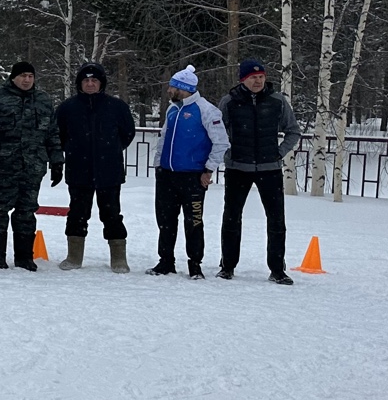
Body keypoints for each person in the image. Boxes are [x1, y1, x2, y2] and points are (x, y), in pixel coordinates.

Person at [218, 58, 303, 284]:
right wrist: (228, 153)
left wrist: (279, 152)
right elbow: (216, 133)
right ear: (243, 80)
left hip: (269, 169)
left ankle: (277, 270)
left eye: (261, 77)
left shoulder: (277, 101)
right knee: (231, 217)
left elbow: (293, 131)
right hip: (237, 168)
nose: (258, 81)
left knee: (276, 220)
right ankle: (227, 266)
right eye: (253, 77)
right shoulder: (229, 102)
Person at [54, 60, 136, 273]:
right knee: (77, 214)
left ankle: (118, 258)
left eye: (94, 81)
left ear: (101, 83)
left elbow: (127, 133)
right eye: (86, 81)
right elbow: (58, 135)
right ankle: (74, 256)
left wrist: (111, 149)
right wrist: (71, 150)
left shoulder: (117, 107)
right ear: (79, 84)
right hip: (78, 170)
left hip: (109, 171)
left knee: (112, 214)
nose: (90, 84)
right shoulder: (67, 108)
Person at [150, 64, 228, 278]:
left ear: (182, 89)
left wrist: (208, 170)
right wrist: (158, 165)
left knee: (193, 221)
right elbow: (163, 138)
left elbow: (221, 142)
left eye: (172, 87)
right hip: (167, 175)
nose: (168, 90)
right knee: (165, 221)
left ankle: (195, 264)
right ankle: (166, 261)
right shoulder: (172, 109)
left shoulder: (206, 110)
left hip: (193, 177)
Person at [0, 61, 63, 272]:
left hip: (33, 166)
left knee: (26, 211)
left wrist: (57, 160)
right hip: (4, 166)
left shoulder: (43, 100)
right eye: (22, 76)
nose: (27, 80)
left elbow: (52, 132)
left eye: (30, 76)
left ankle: (24, 257)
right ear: (13, 77)